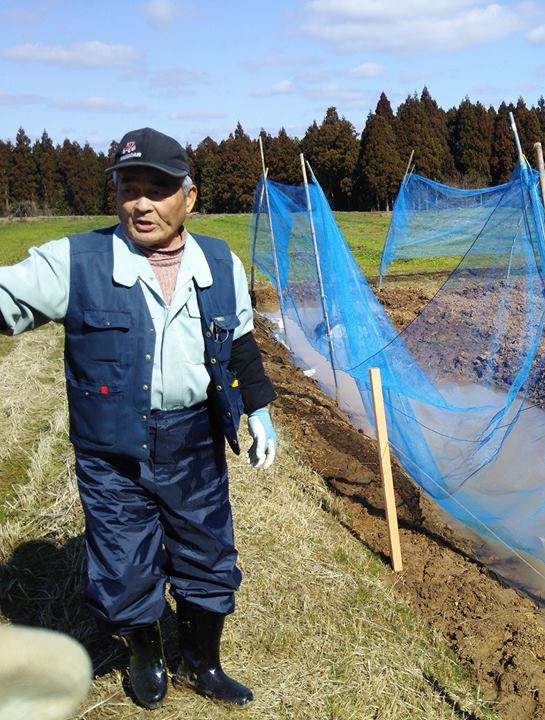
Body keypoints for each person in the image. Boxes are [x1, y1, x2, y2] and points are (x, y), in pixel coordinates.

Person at [0, 127, 278, 709]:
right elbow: (8, 296)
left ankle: (203, 662)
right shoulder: (77, 261)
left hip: (194, 440)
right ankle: (146, 655)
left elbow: (242, 343)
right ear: (116, 194)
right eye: (130, 188)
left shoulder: (220, 264)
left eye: (159, 188)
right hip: (111, 449)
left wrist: (259, 413)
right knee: (123, 566)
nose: (142, 203)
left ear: (189, 196)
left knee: (207, 554)